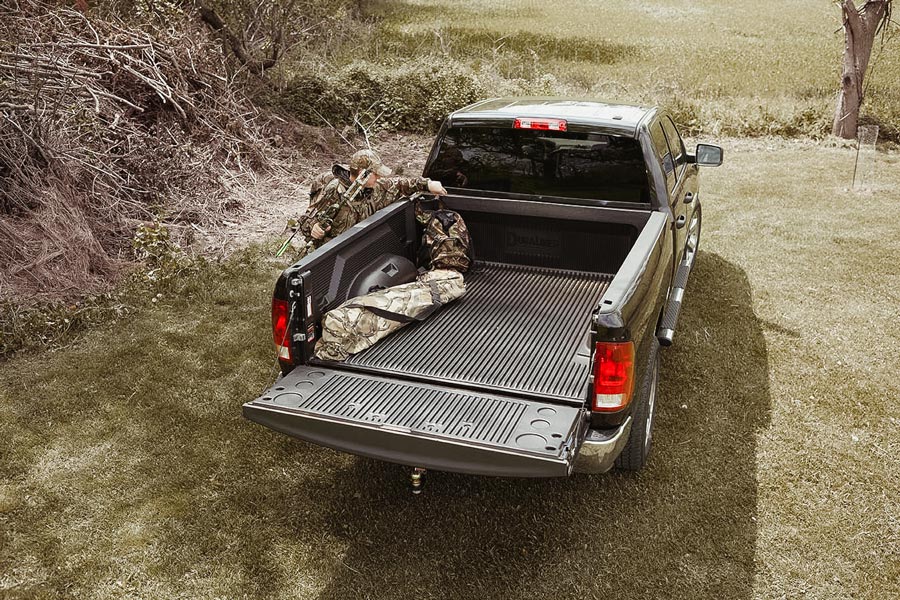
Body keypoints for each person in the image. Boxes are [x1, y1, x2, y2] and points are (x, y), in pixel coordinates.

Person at [299, 149, 448, 244]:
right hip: (332, 252)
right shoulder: (333, 191)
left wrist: (427, 184)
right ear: (363, 173)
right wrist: (314, 227)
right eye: (375, 174)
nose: (378, 177)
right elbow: (306, 220)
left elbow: (399, 184)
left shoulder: (375, 187)